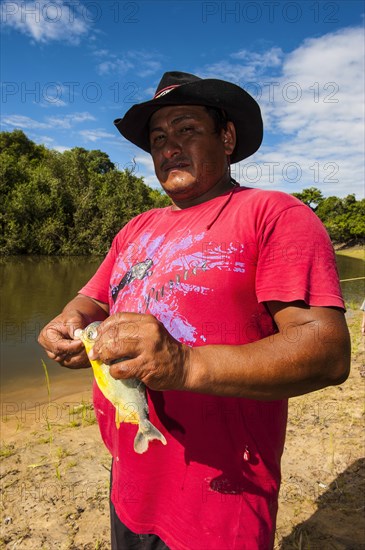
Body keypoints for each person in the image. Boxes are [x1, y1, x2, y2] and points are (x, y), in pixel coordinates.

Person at [38, 71, 351, 550]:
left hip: (221, 495)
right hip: (130, 478)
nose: (168, 148)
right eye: (158, 138)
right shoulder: (136, 228)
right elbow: (93, 298)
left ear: (226, 137)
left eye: (186, 130)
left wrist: (186, 364)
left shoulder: (274, 214)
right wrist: (70, 322)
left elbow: (327, 351)